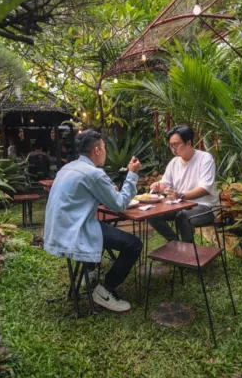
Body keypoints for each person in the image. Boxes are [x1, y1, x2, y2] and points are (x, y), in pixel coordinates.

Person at [44, 130, 142, 312]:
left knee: (102, 229)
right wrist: (132, 174)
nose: (106, 152)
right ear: (97, 150)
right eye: (104, 148)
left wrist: (106, 191)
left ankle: (89, 273)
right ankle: (105, 291)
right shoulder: (93, 173)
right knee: (134, 244)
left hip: (58, 229)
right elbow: (120, 204)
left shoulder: (68, 167)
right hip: (76, 231)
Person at [148, 125, 218, 243]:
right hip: (179, 205)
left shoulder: (205, 158)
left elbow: (205, 188)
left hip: (205, 207)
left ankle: (188, 250)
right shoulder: (174, 162)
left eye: (176, 144)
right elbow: (165, 183)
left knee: (182, 216)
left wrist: (180, 195)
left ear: (188, 143)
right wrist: (158, 186)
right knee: (151, 214)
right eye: (171, 145)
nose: (173, 148)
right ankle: (174, 243)